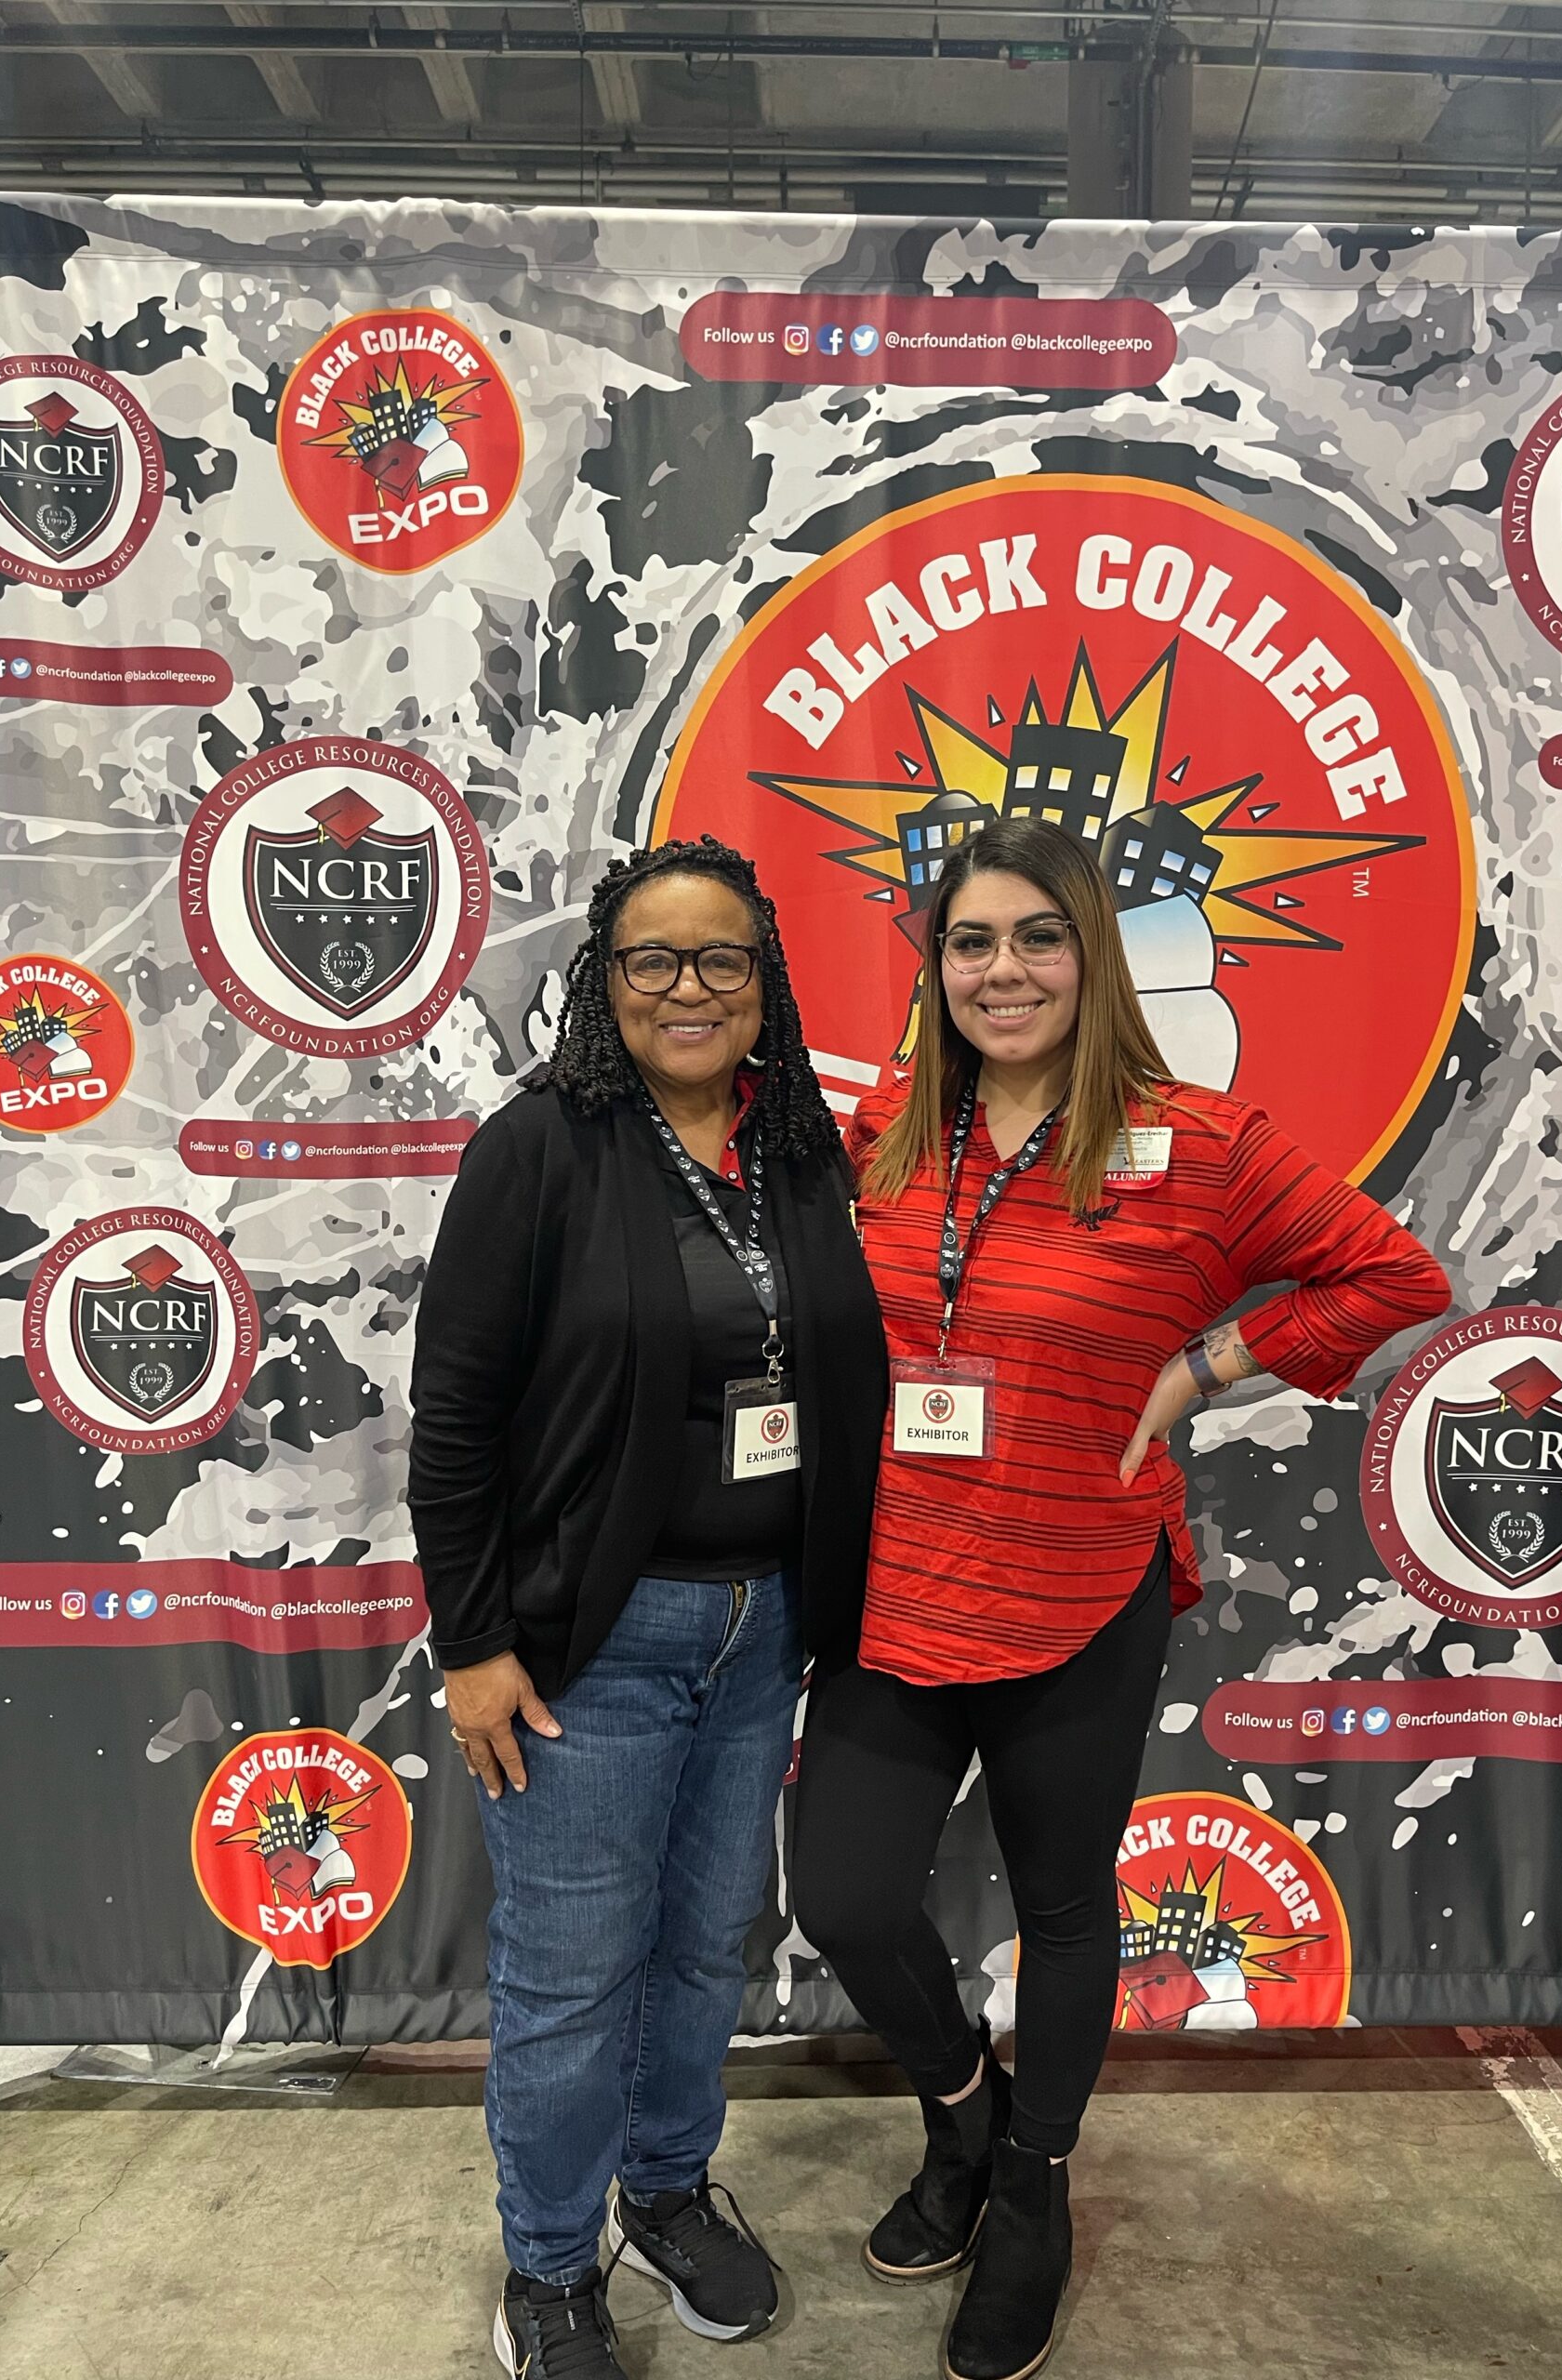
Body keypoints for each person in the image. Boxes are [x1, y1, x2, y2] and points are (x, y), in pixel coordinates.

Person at [791, 815, 1449, 2380]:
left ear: (1094, 954)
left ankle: (1033, 2188)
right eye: (970, 942)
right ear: (935, 968)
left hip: (1086, 1586)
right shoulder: (885, 1128)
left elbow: (1396, 1278)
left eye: (1038, 936)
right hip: (898, 1585)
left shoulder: (1200, 1142)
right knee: (849, 1896)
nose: (1003, 970)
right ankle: (967, 2117)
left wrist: (1205, 1363)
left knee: (1066, 1905)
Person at [409, 836, 886, 2380]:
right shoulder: (538, 1148)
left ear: (766, 981)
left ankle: (667, 2191)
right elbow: (454, 1421)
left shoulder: (797, 1147)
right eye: (652, 959)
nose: (689, 987)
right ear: (603, 982)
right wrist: (475, 1643)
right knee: (569, 1979)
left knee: (700, 1953)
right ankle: (550, 2270)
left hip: (762, 1634)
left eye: (721, 958)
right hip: (586, 1652)